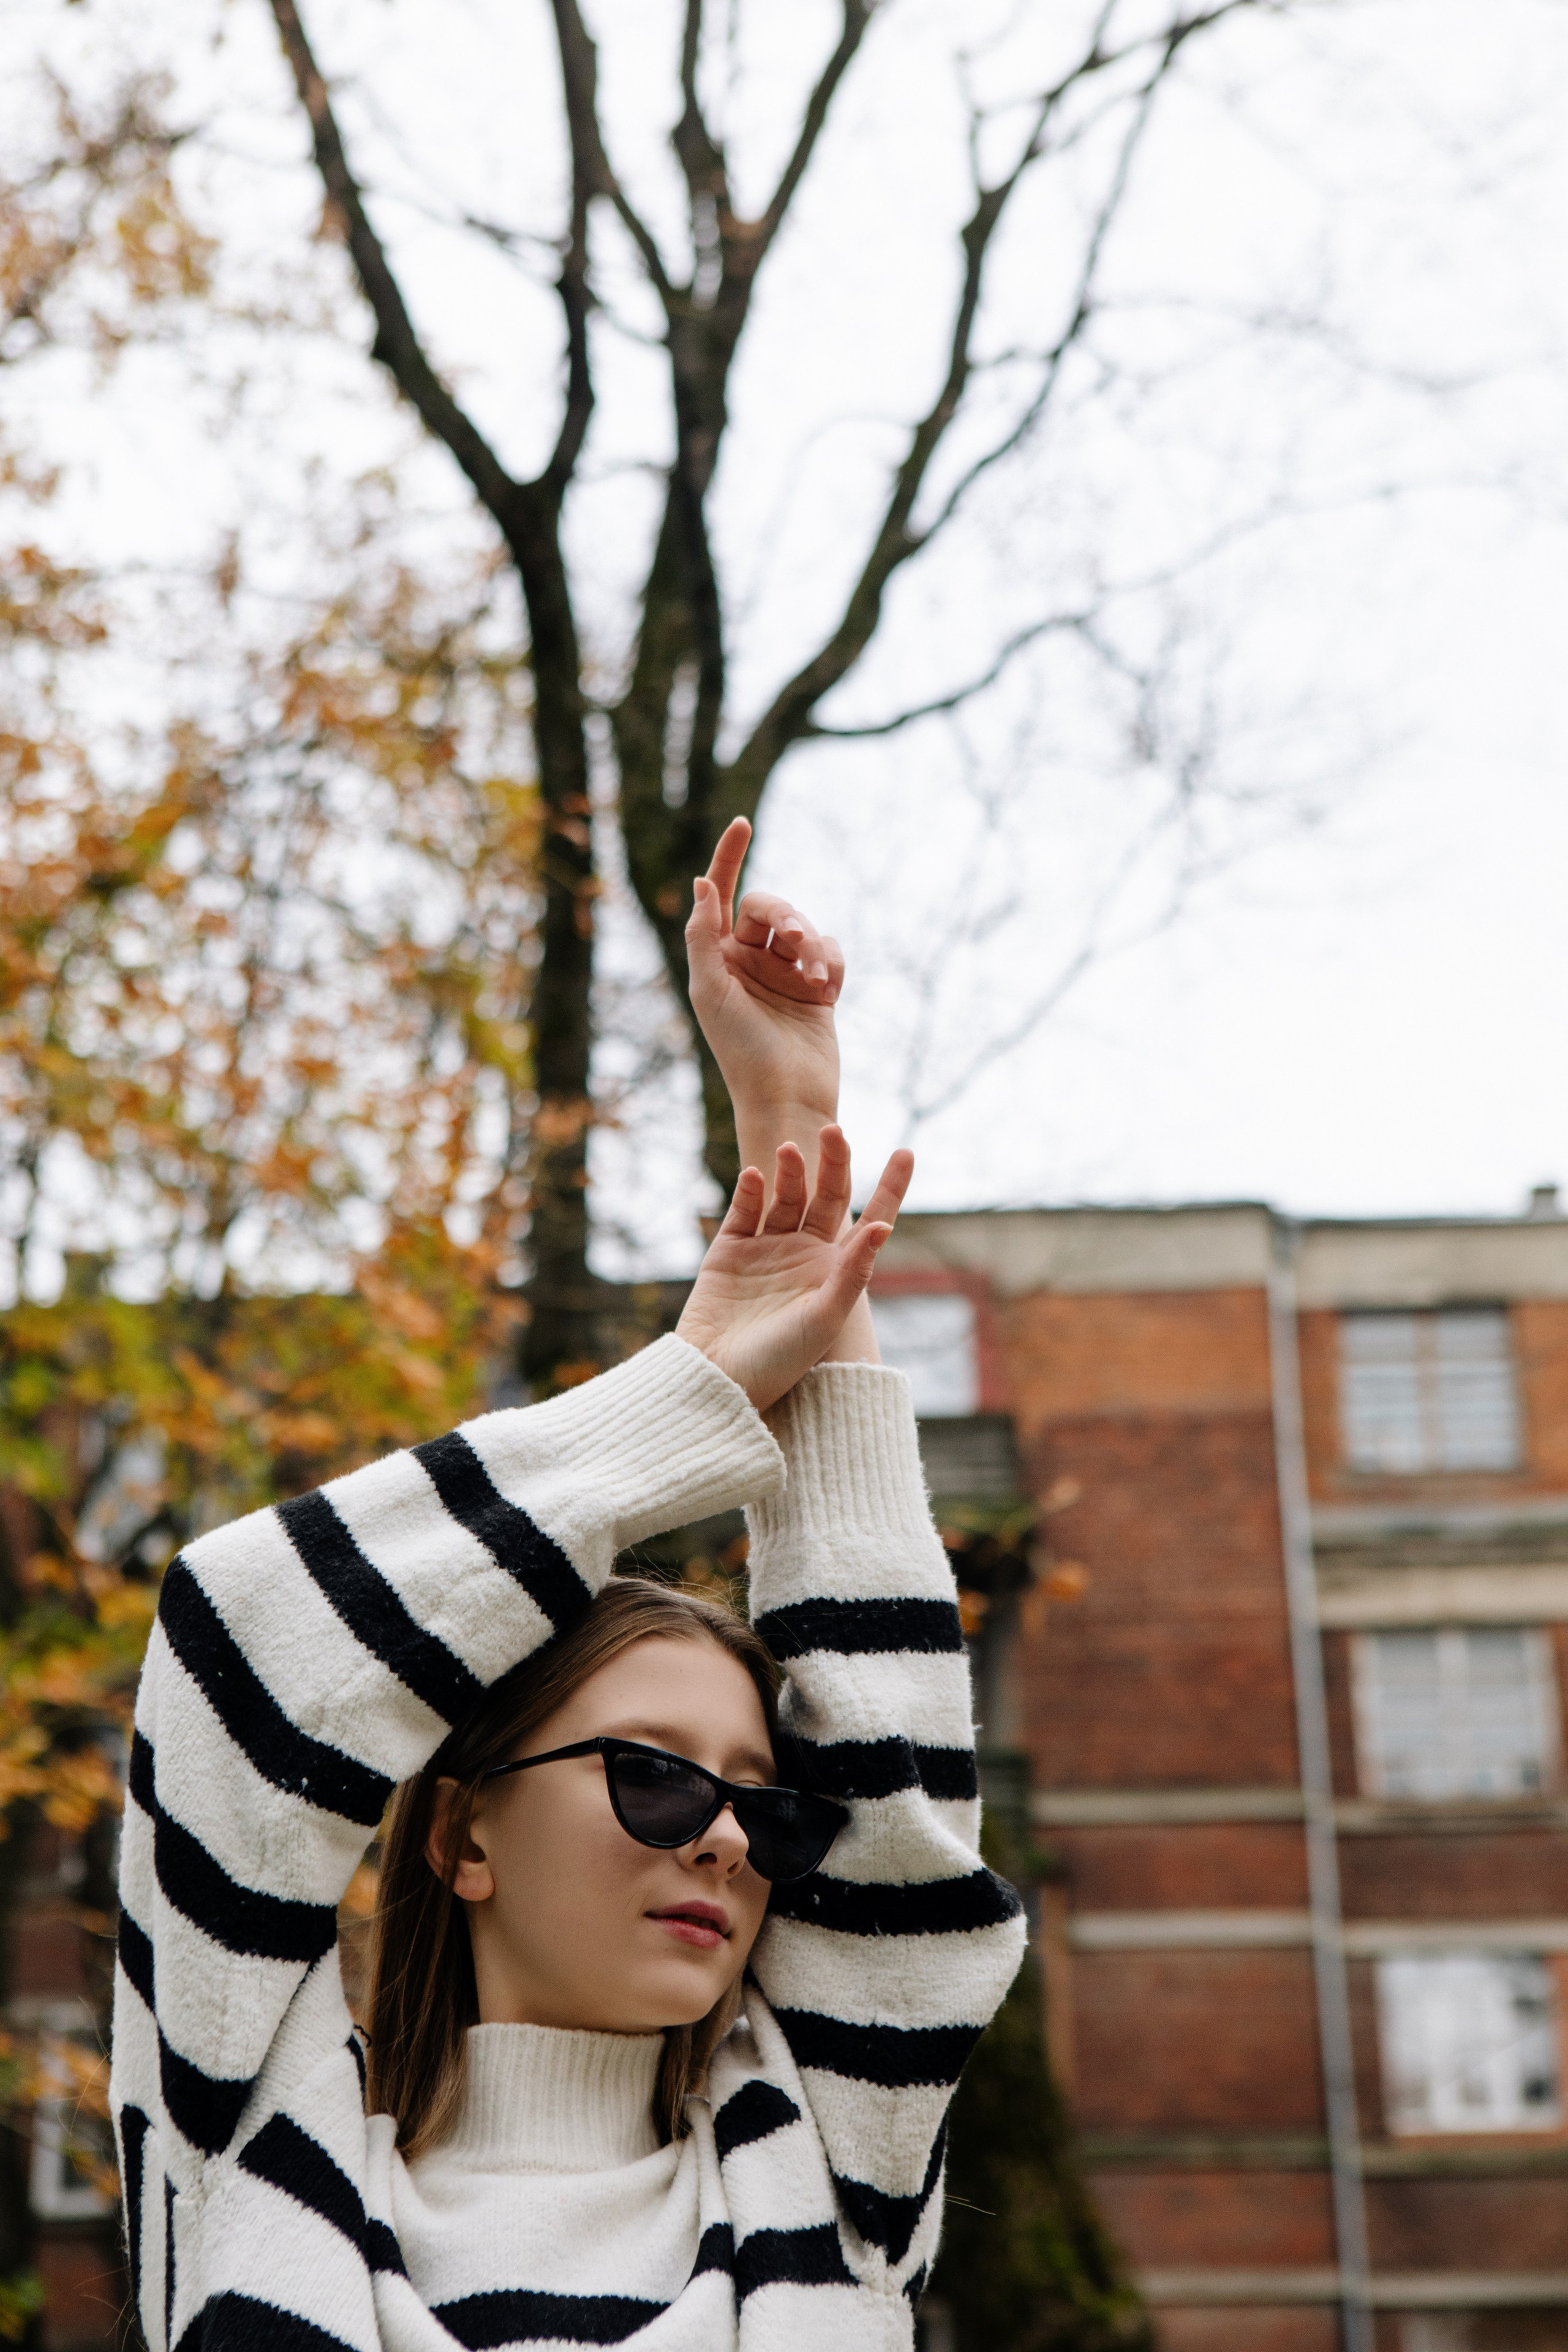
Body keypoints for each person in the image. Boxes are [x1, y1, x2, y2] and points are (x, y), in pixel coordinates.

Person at [110, 820, 1026, 2352]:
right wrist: (681, 1401)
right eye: (658, 1781)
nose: (732, 1838)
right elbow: (239, 1639)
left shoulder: (828, 2174)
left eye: (763, 1802)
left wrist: (794, 1132)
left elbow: (898, 1805)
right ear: (461, 1832)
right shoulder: (241, 2158)